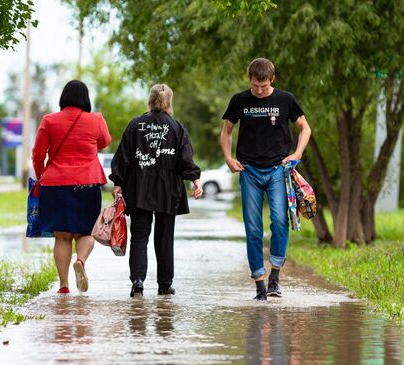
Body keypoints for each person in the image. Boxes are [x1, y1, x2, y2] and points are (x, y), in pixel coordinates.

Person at [221, 58, 311, 301]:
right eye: (254, 86)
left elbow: (305, 128)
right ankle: (259, 282)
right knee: (252, 228)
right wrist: (228, 158)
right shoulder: (239, 100)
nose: (258, 91)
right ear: (249, 80)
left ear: (272, 80)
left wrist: (297, 153)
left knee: (280, 221)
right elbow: (227, 131)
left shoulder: (286, 100)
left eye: (263, 86)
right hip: (248, 170)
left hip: (277, 170)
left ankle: (275, 277)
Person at [110, 84, 203, 298]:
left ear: (149, 101)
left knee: (140, 236)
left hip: (139, 189)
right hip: (168, 191)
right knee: (164, 237)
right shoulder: (177, 127)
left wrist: (118, 182)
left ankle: (138, 281)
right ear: (169, 103)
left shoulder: (135, 125)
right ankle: (164, 284)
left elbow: (123, 157)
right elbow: (185, 160)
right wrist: (195, 179)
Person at [32, 80, 112, 294]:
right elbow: (104, 142)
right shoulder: (96, 120)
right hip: (87, 183)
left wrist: (42, 175)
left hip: (55, 184)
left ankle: (64, 285)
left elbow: (38, 154)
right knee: (86, 232)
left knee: (62, 235)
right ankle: (81, 261)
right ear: (86, 99)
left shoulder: (49, 121)